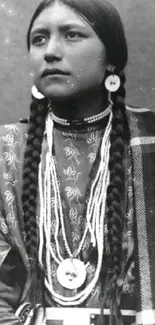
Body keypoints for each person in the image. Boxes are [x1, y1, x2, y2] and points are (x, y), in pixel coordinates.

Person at [0, 0, 155, 324]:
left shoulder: (148, 141)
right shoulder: (6, 150)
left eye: (71, 35)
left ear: (111, 58)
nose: (51, 51)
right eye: (39, 39)